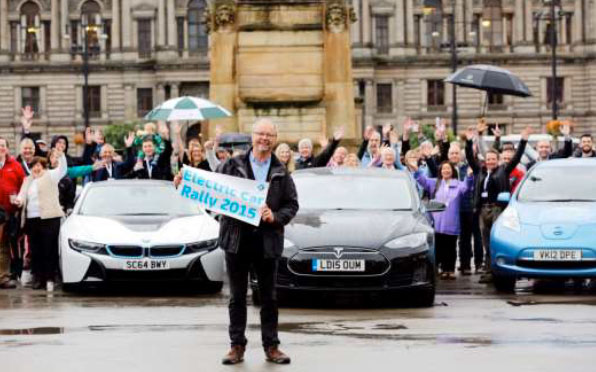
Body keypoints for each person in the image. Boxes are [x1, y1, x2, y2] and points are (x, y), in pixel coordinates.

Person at [218, 118, 298, 365]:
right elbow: (210, 189)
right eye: (260, 134)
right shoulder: (232, 164)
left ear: (275, 139)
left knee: (269, 297)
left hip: (267, 240)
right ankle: (236, 346)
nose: (264, 139)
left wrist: (275, 217)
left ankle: (271, 346)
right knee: (237, 297)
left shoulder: (281, 171)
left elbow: (292, 204)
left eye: (269, 135)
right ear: (251, 136)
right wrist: (182, 184)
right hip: (237, 239)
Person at [465, 125, 531, 284]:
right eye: (488, 159)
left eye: (493, 159)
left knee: (496, 241)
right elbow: (469, 157)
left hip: (497, 209)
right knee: (485, 241)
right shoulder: (479, 171)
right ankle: (488, 271)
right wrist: (468, 142)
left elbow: (516, 158)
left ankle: (498, 271)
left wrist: (523, 141)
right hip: (483, 210)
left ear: (498, 160)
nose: (490, 162)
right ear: (485, 160)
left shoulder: (504, 170)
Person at [409, 160, 474, 279]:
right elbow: (422, 180)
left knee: (451, 248)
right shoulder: (435, 183)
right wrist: (415, 170)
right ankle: (439, 269)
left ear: (452, 171)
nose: (446, 170)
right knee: (439, 247)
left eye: (448, 168)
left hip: (452, 223)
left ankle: (449, 269)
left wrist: (469, 176)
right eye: (443, 168)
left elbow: (467, 187)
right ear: (440, 171)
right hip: (437, 223)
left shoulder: (458, 184)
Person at [14, 151, 67, 292]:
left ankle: (50, 278)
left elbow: (63, 169)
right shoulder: (28, 180)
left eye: (39, 166)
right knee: (36, 251)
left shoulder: (51, 175)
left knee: (49, 250)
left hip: (50, 218)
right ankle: (38, 278)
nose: (36, 169)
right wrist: (19, 200)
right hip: (32, 219)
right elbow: (22, 194)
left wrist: (61, 156)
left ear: (44, 166)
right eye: (33, 166)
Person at [446, 142, 482, 275]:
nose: (454, 155)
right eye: (452, 153)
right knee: (463, 238)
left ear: (461, 155)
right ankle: (465, 264)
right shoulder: (446, 169)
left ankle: (478, 264)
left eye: (457, 153)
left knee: (476, 236)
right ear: (448, 155)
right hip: (455, 209)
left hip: (471, 206)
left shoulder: (469, 167)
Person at [0, 137, 26, 289]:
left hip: (8, 213)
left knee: (3, 246)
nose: (1, 148)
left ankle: (3, 277)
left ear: (7, 148)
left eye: (3, 145)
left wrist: (20, 199)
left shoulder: (15, 166)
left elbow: (24, 186)